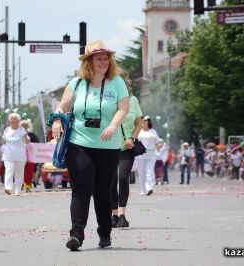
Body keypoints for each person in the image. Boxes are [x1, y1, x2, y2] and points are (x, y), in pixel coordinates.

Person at [50, 40, 129, 251]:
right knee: (81, 189)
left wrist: (113, 125)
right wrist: (57, 119)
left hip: (108, 146)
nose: (104, 62)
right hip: (79, 143)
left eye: (106, 58)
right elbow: (63, 105)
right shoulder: (76, 83)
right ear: (89, 62)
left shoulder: (117, 82)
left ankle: (105, 233)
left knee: (103, 191)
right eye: (99, 58)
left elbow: (123, 108)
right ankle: (76, 234)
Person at [111, 69, 143, 228]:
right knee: (110, 180)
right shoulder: (107, 100)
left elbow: (139, 122)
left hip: (126, 146)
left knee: (123, 177)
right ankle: (113, 213)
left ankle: (122, 213)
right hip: (108, 146)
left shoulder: (133, 100)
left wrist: (133, 137)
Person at [1, 113, 30, 196]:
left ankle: (18, 190)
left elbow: (27, 142)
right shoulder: (7, 130)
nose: (13, 120)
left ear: (18, 120)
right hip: (8, 155)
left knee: (19, 173)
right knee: (9, 170)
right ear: (10, 120)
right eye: (11, 119)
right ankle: (8, 188)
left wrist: (25, 135)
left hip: (20, 155)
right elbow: (4, 141)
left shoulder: (22, 130)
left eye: (15, 119)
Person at [136, 116, 162, 195]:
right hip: (140, 156)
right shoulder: (138, 131)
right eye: (142, 120)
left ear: (148, 121)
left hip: (151, 156)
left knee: (149, 172)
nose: (143, 121)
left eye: (145, 120)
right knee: (141, 173)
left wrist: (159, 145)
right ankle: (142, 190)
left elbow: (158, 142)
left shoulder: (153, 131)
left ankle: (148, 188)